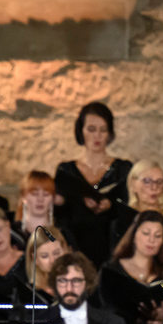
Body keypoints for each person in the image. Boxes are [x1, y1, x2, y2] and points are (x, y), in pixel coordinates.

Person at [54, 102, 132, 266]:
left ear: (110, 133)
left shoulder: (123, 169)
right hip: (76, 248)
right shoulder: (66, 170)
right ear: (81, 131)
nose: (97, 136)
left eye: (103, 130)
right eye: (91, 129)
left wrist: (111, 205)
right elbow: (60, 217)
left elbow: (131, 208)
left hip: (113, 248)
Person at [22, 224, 69, 303]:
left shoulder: (81, 285)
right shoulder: (29, 294)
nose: (52, 260)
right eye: (45, 256)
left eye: (56, 253)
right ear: (35, 259)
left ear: (64, 250)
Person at [14, 171, 59, 246]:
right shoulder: (12, 234)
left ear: (53, 198)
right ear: (23, 197)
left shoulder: (62, 232)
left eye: (46, 194)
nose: (40, 199)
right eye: (34, 194)